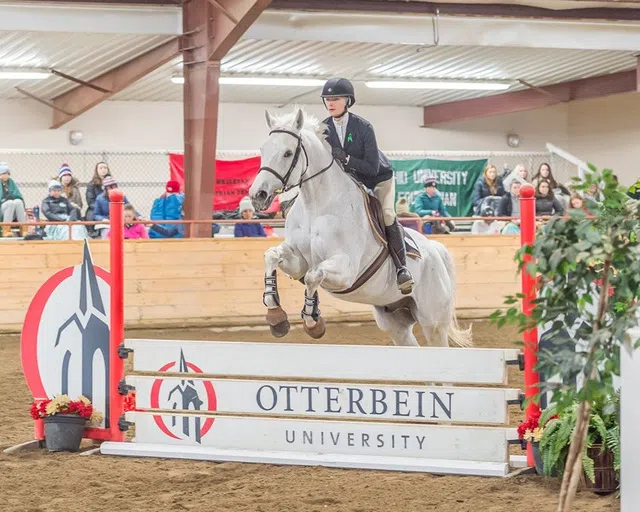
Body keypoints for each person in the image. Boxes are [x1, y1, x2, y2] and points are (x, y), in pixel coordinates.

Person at [321, 77, 413, 294]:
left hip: (378, 179)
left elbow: (371, 168)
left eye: (335, 98)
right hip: (351, 184)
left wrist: (346, 160)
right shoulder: (324, 128)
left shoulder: (363, 127)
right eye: (327, 99)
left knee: (388, 214)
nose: (330, 103)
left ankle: (402, 268)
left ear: (348, 100)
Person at [0, 162, 27, 237]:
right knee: (10, 203)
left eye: (7, 173)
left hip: (12, 211)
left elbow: (18, 195)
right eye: (3, 173)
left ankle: (24, 229)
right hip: (2, 211)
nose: (6, 175)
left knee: (18, 202)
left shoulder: (11, 182)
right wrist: (6, 199)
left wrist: (11, 197)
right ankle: (6, 230)